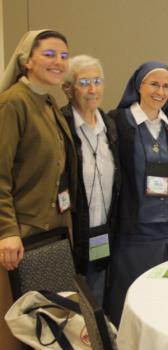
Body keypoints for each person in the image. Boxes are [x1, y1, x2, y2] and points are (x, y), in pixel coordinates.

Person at [107, 61, 168, 325]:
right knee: (134, 304)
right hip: (136, 232)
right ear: (138, 86)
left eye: (166, 86)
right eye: (154, 84)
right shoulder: (119, 122)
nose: (160, 91)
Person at [0, 29, 77, 271]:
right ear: (27, 61)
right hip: (22, 233)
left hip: (53, 227)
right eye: (49, 54)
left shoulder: (48, 102)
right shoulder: (13, 103)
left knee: (47, 305)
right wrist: (6, 231)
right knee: (20, 307)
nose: (58, 62)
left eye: (64, 56)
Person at [61, 55, 120, 304]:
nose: (93, 89)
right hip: (72, 235)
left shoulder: (109, 125)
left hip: (103, 232)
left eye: (97, 81)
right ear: (68, 89)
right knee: (70, 306)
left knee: (97, 301)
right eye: (84, 82)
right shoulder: (61, 125)